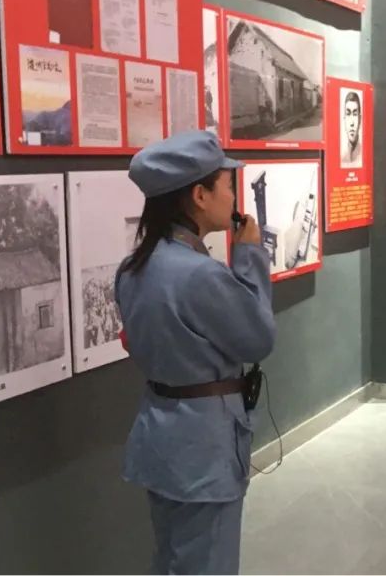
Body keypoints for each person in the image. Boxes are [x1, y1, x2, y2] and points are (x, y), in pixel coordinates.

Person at [115, 130, 276, 575]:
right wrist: (249, 257)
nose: (232, 196)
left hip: (161, 436)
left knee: (172, 560)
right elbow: (258, 339)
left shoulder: (133, 269)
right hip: (204, 448)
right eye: (226, 185)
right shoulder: (200, 275)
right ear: (200, 196)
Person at [340, 91, 362, 168]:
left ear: (360, 119)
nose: (351, 123)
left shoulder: (363, 155)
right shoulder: (342, 157)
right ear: (344, 119)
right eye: (348, 114)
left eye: (355, 114)